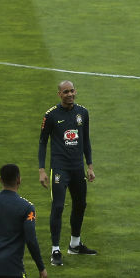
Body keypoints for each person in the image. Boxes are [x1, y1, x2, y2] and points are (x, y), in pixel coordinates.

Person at [38, 80, 97, 266]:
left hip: (77, 168)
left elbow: (86, 140)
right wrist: (41, 170)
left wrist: (90, 166)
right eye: (65, 92)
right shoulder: (51, 115)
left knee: (81, 204)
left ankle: (75, 244)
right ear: (59, 94)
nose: (70, 94)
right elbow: (42, 142)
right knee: (58, 206)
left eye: (72, 91)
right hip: (60, 168)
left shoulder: (83, 113)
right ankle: (55, 250)